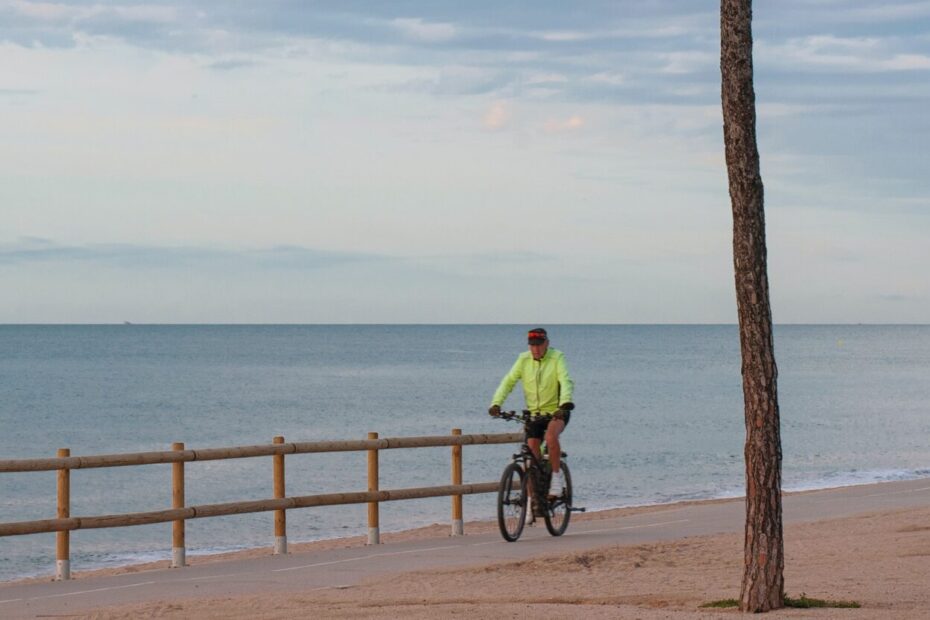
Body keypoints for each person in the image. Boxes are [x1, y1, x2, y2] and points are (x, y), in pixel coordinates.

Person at [488, 327, 575, 499]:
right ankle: (534, 495)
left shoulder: (557, 357)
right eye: (532, 345)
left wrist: (565, 402)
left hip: (557, 412)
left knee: (551, 437)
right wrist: (496, 403)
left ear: (547, 344)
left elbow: (566, 381)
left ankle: (556, 479)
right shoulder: (523, 360)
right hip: (535, 413)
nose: (535, 349)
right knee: (532, 449)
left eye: (539, 345)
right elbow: (508, 382)